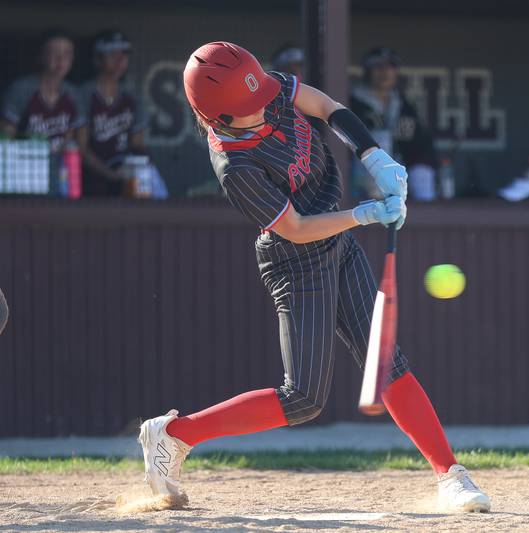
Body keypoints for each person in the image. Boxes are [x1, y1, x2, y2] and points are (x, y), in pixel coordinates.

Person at [138, 41, 490, 513]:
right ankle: (174, 435)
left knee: (384, 360)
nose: (266, 104)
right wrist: (364, 215)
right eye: (250, 107)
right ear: (220, 120)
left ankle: (451, 474)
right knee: (303, 399)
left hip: (337, 239)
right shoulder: (236, 166)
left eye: (262, 92)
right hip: (295, 259)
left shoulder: (263, 89)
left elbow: (326, 106)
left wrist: (372, 156)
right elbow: (297, 229)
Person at [350, 47, 438, 200]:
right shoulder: (353, 103)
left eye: (390, 67)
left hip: (399, 171)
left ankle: (426, 218)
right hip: (360, 171)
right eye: (378, 67)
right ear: (367, 71)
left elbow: (422, 144)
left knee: (422, 173)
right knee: (380, 140)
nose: (385, 72)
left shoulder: (403, 106)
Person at [77, 30, 155, 197]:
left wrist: (128, 170)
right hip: (90, 179)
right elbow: (80, 147)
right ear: (98, 58)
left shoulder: (132, 97)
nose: (119, 60)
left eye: (124, 54)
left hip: (124, 177)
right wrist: (109, 174)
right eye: (112, 53)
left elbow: (137, 146)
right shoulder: (84, 94)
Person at [0, 30, 83, 154]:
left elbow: (75, 139)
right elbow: (5, 137)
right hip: (27, 165)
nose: (61, 59)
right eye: (54, 52)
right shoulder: (21, 89)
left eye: (67, 53)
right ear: (42, 55)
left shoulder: (74, 93)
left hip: (60, 168)